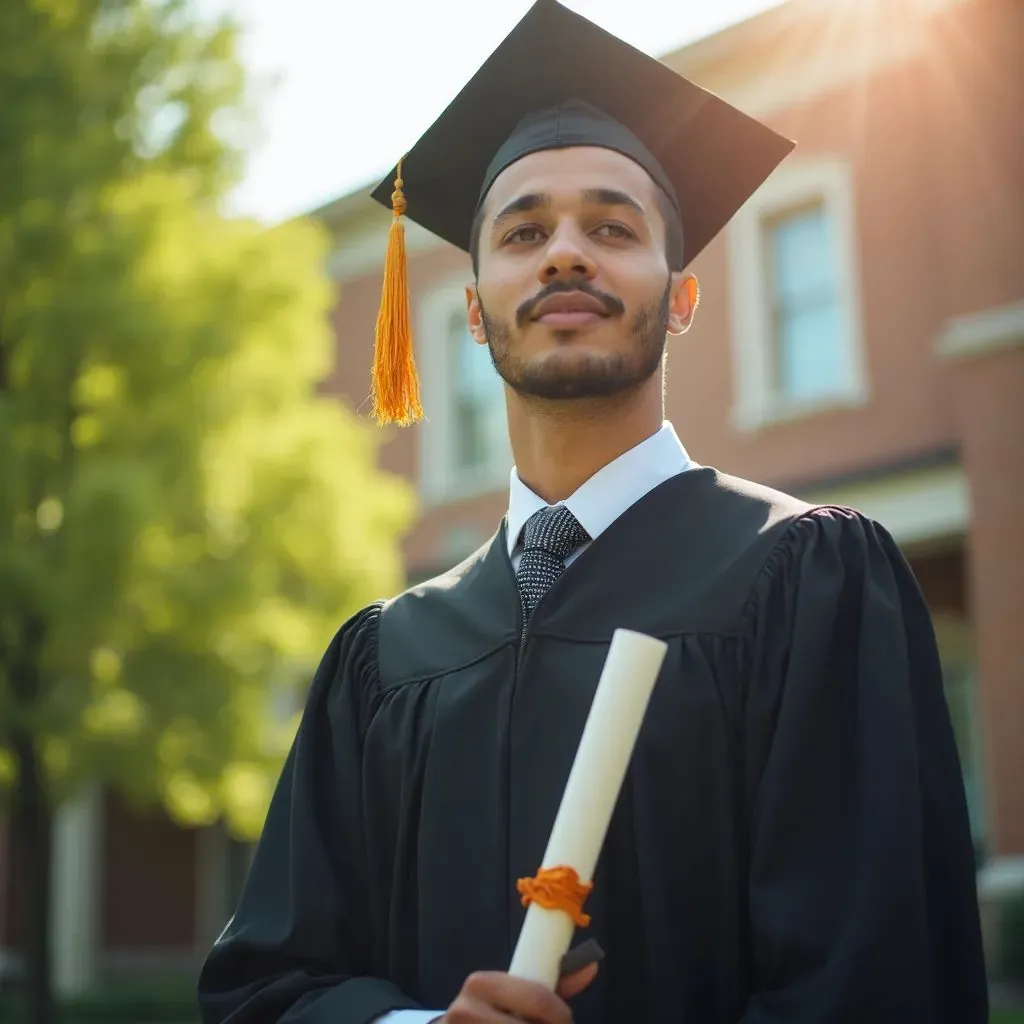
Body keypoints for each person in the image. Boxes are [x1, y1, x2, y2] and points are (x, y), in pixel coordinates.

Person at [196, 1, 989, 1021]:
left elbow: (876, 982)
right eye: (523, 232)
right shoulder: (384, 659)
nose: (565, 253)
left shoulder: (803, 581)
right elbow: (266, 984)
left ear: (682, 295)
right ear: (473, 309)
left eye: (612, 227)